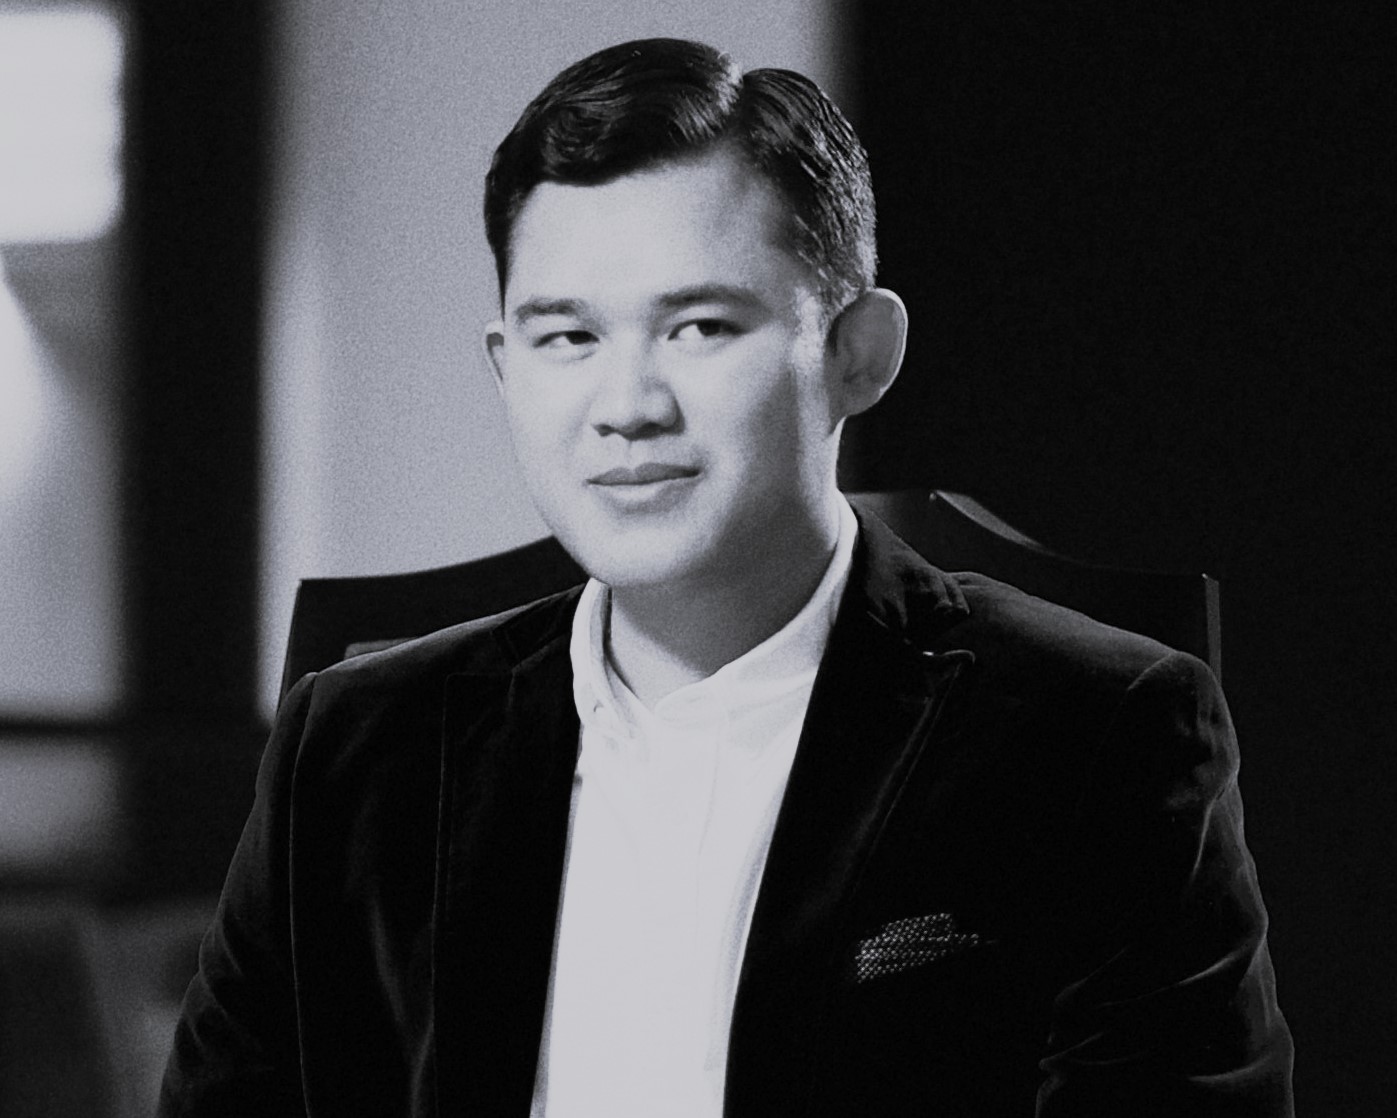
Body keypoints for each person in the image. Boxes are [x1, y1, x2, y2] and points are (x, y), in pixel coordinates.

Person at [160, 37, 1292, 1117]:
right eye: (567, 338)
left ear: (858, 353)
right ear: (505, 368)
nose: (627, 406)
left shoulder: (1094, 733)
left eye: (699, 327)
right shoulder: (354, 750)